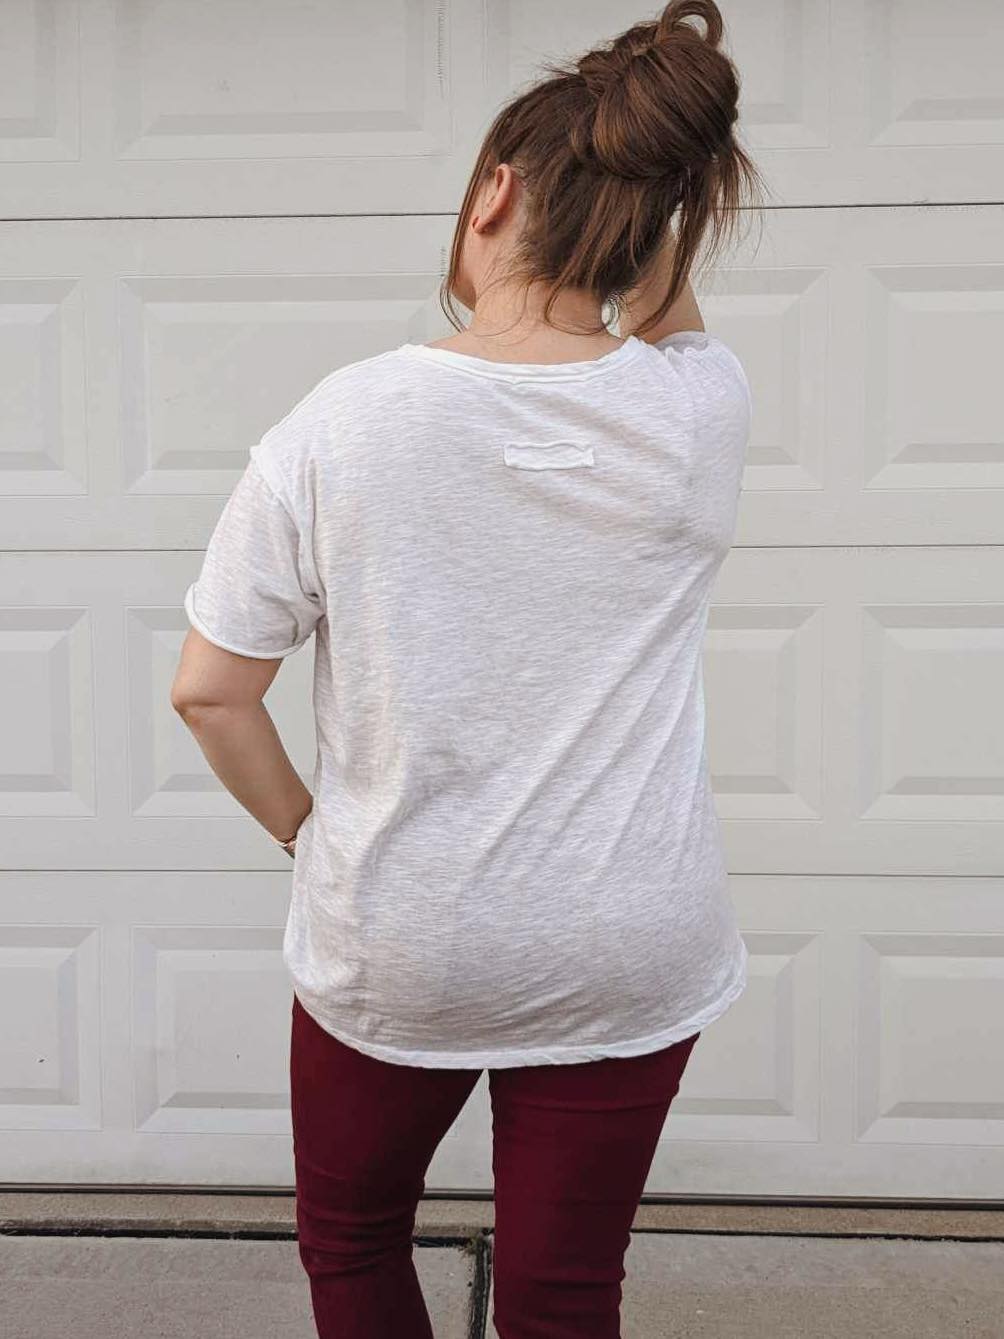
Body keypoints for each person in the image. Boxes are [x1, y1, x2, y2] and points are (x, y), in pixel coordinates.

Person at [170, 1, 762, 1334]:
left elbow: (210, 691)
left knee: (355, 1244)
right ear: (656, 226)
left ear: (492, 192)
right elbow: (668, 319)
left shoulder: (338, 427)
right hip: (629, 940)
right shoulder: (696, 411)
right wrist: (653, 212)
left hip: (406, 936)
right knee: (565, 1291)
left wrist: (310, 836)